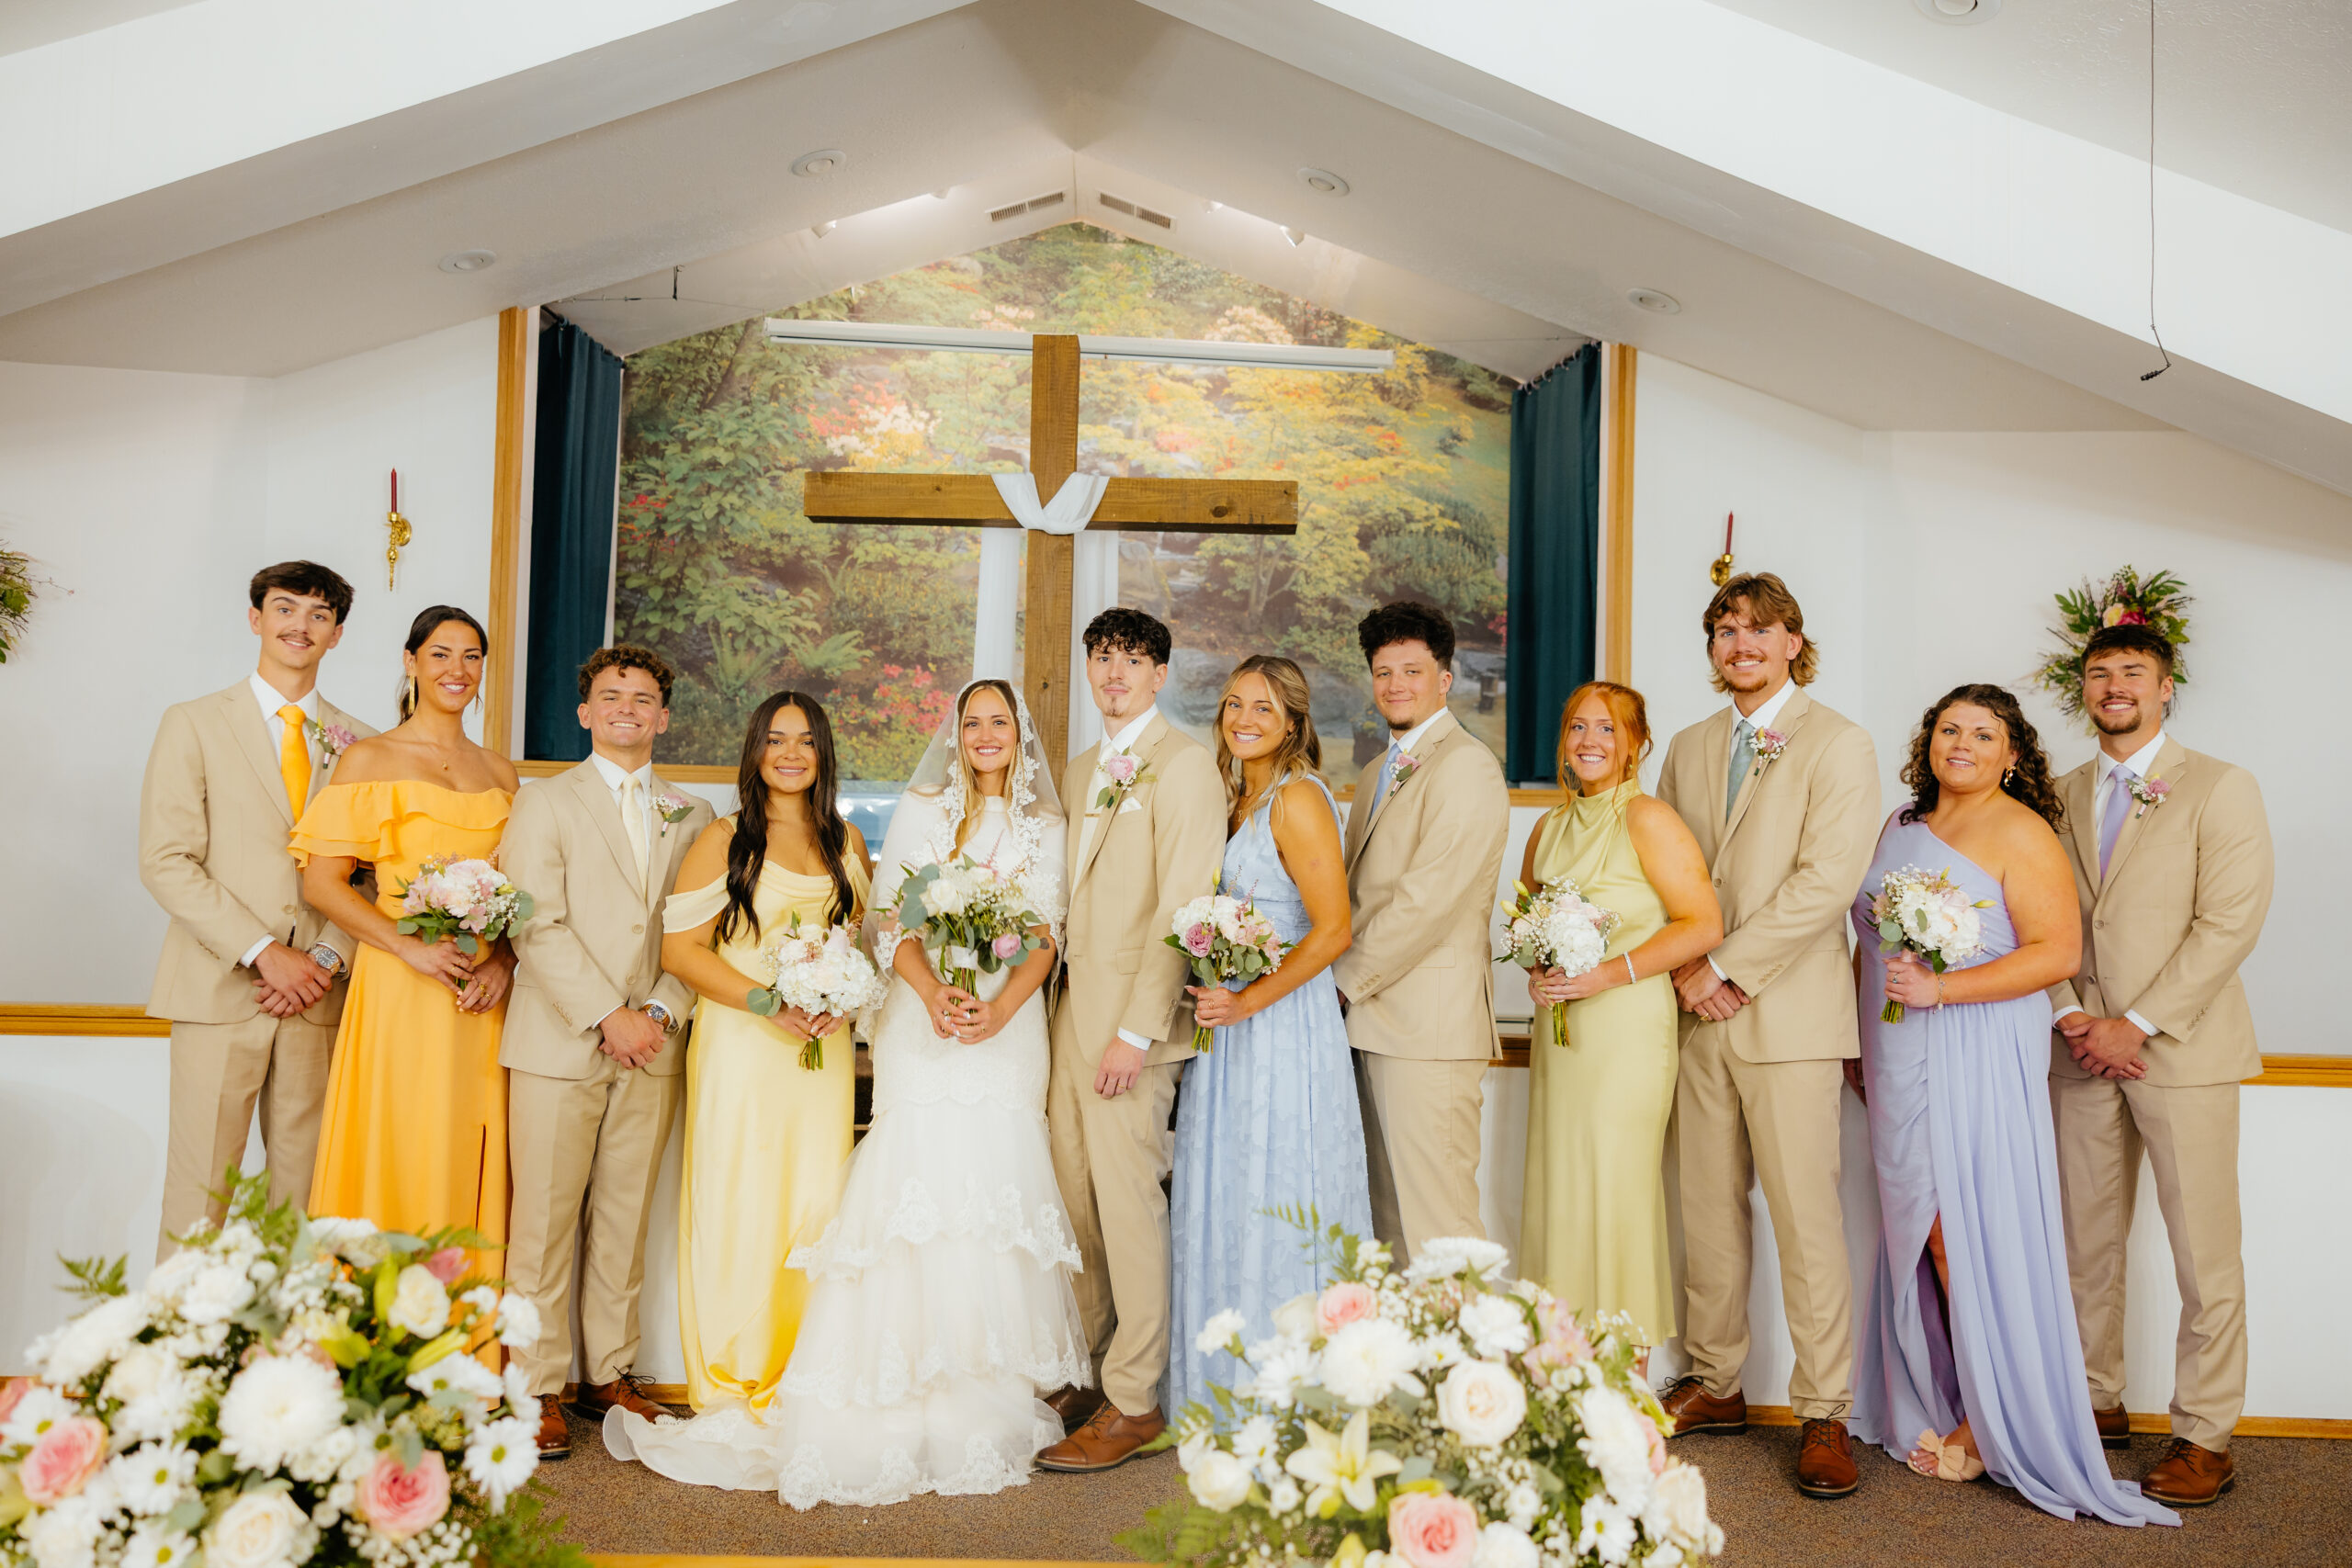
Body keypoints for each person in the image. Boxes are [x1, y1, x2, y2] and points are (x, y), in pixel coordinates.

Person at [608, 679, 1089, 1507]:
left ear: (1022, 736)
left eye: (998, 722)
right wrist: (932, 993)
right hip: (852, 1032)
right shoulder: (901, 813)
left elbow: (1044, 929)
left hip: (974, 1035)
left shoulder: (888, 838)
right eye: (970, 720)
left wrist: (1002, 1006)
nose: (982, 735)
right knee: (853, 1190)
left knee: (903, 1190)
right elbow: (893, 927)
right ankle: (757, 1366)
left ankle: (980, 1367)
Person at [1849, 684, 2177, 1528]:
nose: (1961, 743)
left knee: (1959, 1225)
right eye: (1949, 728)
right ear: (1929, 741)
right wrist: (1863, 1040)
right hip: (1893, 1048)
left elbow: (2056, 952)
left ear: (2012, 754)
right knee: (1915, 1225)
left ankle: (1990, 1418)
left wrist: (1942, 987)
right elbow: (1870, 937)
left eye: (1982, 733)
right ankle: (1951, 1390)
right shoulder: (1899, 826)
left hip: (1977, 1046)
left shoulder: (2023, 831)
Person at [1653, 572, 1876, 1500]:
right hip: (1694, 1017)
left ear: (1792, 640)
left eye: (1757, 628)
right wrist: (1680, 971)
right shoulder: (1690, 744)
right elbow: (1661, 872)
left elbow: (1825, 883)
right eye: (1723, 629)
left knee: (1805, 1218)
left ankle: (1825, 1410)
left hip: (1784, 1016)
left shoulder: (1839, 743)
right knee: (1705, 1207)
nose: (1739, 643)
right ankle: (1717, 1380)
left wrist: (1728, 971)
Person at [2046, 625, 2272, 1507]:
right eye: (2100, 673)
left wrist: (2135, 1023)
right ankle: (2093, 1403)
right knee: (2084, 1247)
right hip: (2078, 1051)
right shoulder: (2056, 793)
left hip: (2181, 1051)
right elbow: (2037, 914)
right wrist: (2072, 1014)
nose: (2114, 686)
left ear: (2165, 685)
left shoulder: (2222, 786)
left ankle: (2204, 1434)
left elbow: (2230, 924)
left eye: (2131, 672)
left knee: (2204, 1254)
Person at [499, 646, 715, 1459]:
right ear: (585, 711)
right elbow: (533, 921)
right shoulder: (543, 803)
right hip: (560, 1041)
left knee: (624, 1218)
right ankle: (537, 1384)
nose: (628, 706)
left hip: (652, 1041)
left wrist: (657, 1007)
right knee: (546, 1222)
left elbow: (701, 929)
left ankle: (609, 1373)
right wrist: (605, 1014)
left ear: (663, 716)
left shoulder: (692, 815)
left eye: (645, 696)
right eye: (610, 694)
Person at [630, 692, 867, 1416]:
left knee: (812, 1200)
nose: (790, 753)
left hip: (820, 1054)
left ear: (823, 752)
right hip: (743, 1044)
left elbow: (856, 945)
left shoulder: (848, 842)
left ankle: (804, 1369)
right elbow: (680, 950)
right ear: (756, 751)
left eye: (804, 740)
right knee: (742, 1197)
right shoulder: (726, 838)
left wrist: (839, 999)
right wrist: (770, 1001)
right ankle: (733, 1374)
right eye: (775, 739)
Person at [1039, 609, 1226, 1473]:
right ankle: (1091, 1369)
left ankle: (1137, 1398)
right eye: (1102, 658)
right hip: (1065, 1018)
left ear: (1161, 674)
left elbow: (1183, 910)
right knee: (1078, 1204)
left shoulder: (1186, 768)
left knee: (1130, 1207)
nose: (1114, 673)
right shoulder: (1080, 770)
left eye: (1134, 660)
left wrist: (1135, 1031)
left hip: (1128, 1031)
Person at [140, 562, 372, 1254]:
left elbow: (371, 875)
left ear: (336, 634)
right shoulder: (193, 723)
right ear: (255, 618)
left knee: (303, 1201)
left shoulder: (361, 742)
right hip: (220, 987)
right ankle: (180, 1358)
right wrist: (266, 952)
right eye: (284, 608)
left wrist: (326, 958)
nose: (300, 624)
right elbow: (166, 859)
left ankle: (285, 1357)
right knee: (198, 1197)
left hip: (319, 999)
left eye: (319, 614)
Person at [1166, 657, 1372, 1414]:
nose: (1243, 717)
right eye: (1231, 704)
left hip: (1281, 1028)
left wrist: (1249, 1001)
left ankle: (1293, 1388)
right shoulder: (1232, 794)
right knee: (1229, 1188)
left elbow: (1334, 929)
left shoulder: (1298, 797)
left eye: (1262, 706)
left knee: (1278, 1185)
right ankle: (1227, 1376)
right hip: (1227, 1025)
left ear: (1293, 719)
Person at [294, 606, 520, 1255]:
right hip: (398, 985)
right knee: (398, 1135)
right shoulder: (370, 758)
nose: (458, 669)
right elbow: (323, 883)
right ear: (411, 660)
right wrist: (404, 946)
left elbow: (519, 891)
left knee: (466, 1140)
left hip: (478, 997)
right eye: (441, 653)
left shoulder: (502, 775)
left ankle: (463, 1328)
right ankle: (380, 1326)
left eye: (472, 655)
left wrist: (501, 961)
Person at [1518, 682, 1720, 1362]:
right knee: (1561, 1183)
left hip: (1627, 1024)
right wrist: (1538, 970)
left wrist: (1606, 973)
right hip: (1561, 1031)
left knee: (1616, 1183)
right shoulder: (1548, 826)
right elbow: (1530, 925)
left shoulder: (1651, 819)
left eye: (1607, 728)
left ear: (1636, 742)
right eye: (1578, 727)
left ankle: (1622, 1366)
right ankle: (1561, 1359)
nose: (1590, 741)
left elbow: (1703, 923)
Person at [1334, 602, 1509, 1266]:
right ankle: (1413, 1370)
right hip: (1372, 1025)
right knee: (1387, 1225)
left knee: (1441, 1226)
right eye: (1383, 671)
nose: (1396, 684)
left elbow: (1424, 904)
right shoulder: (1380, 770)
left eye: (1412, 669)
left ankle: (1472, 1372)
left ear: (1446, 677)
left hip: (1428, 1031)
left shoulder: (1464, 766)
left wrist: (1338, 985)